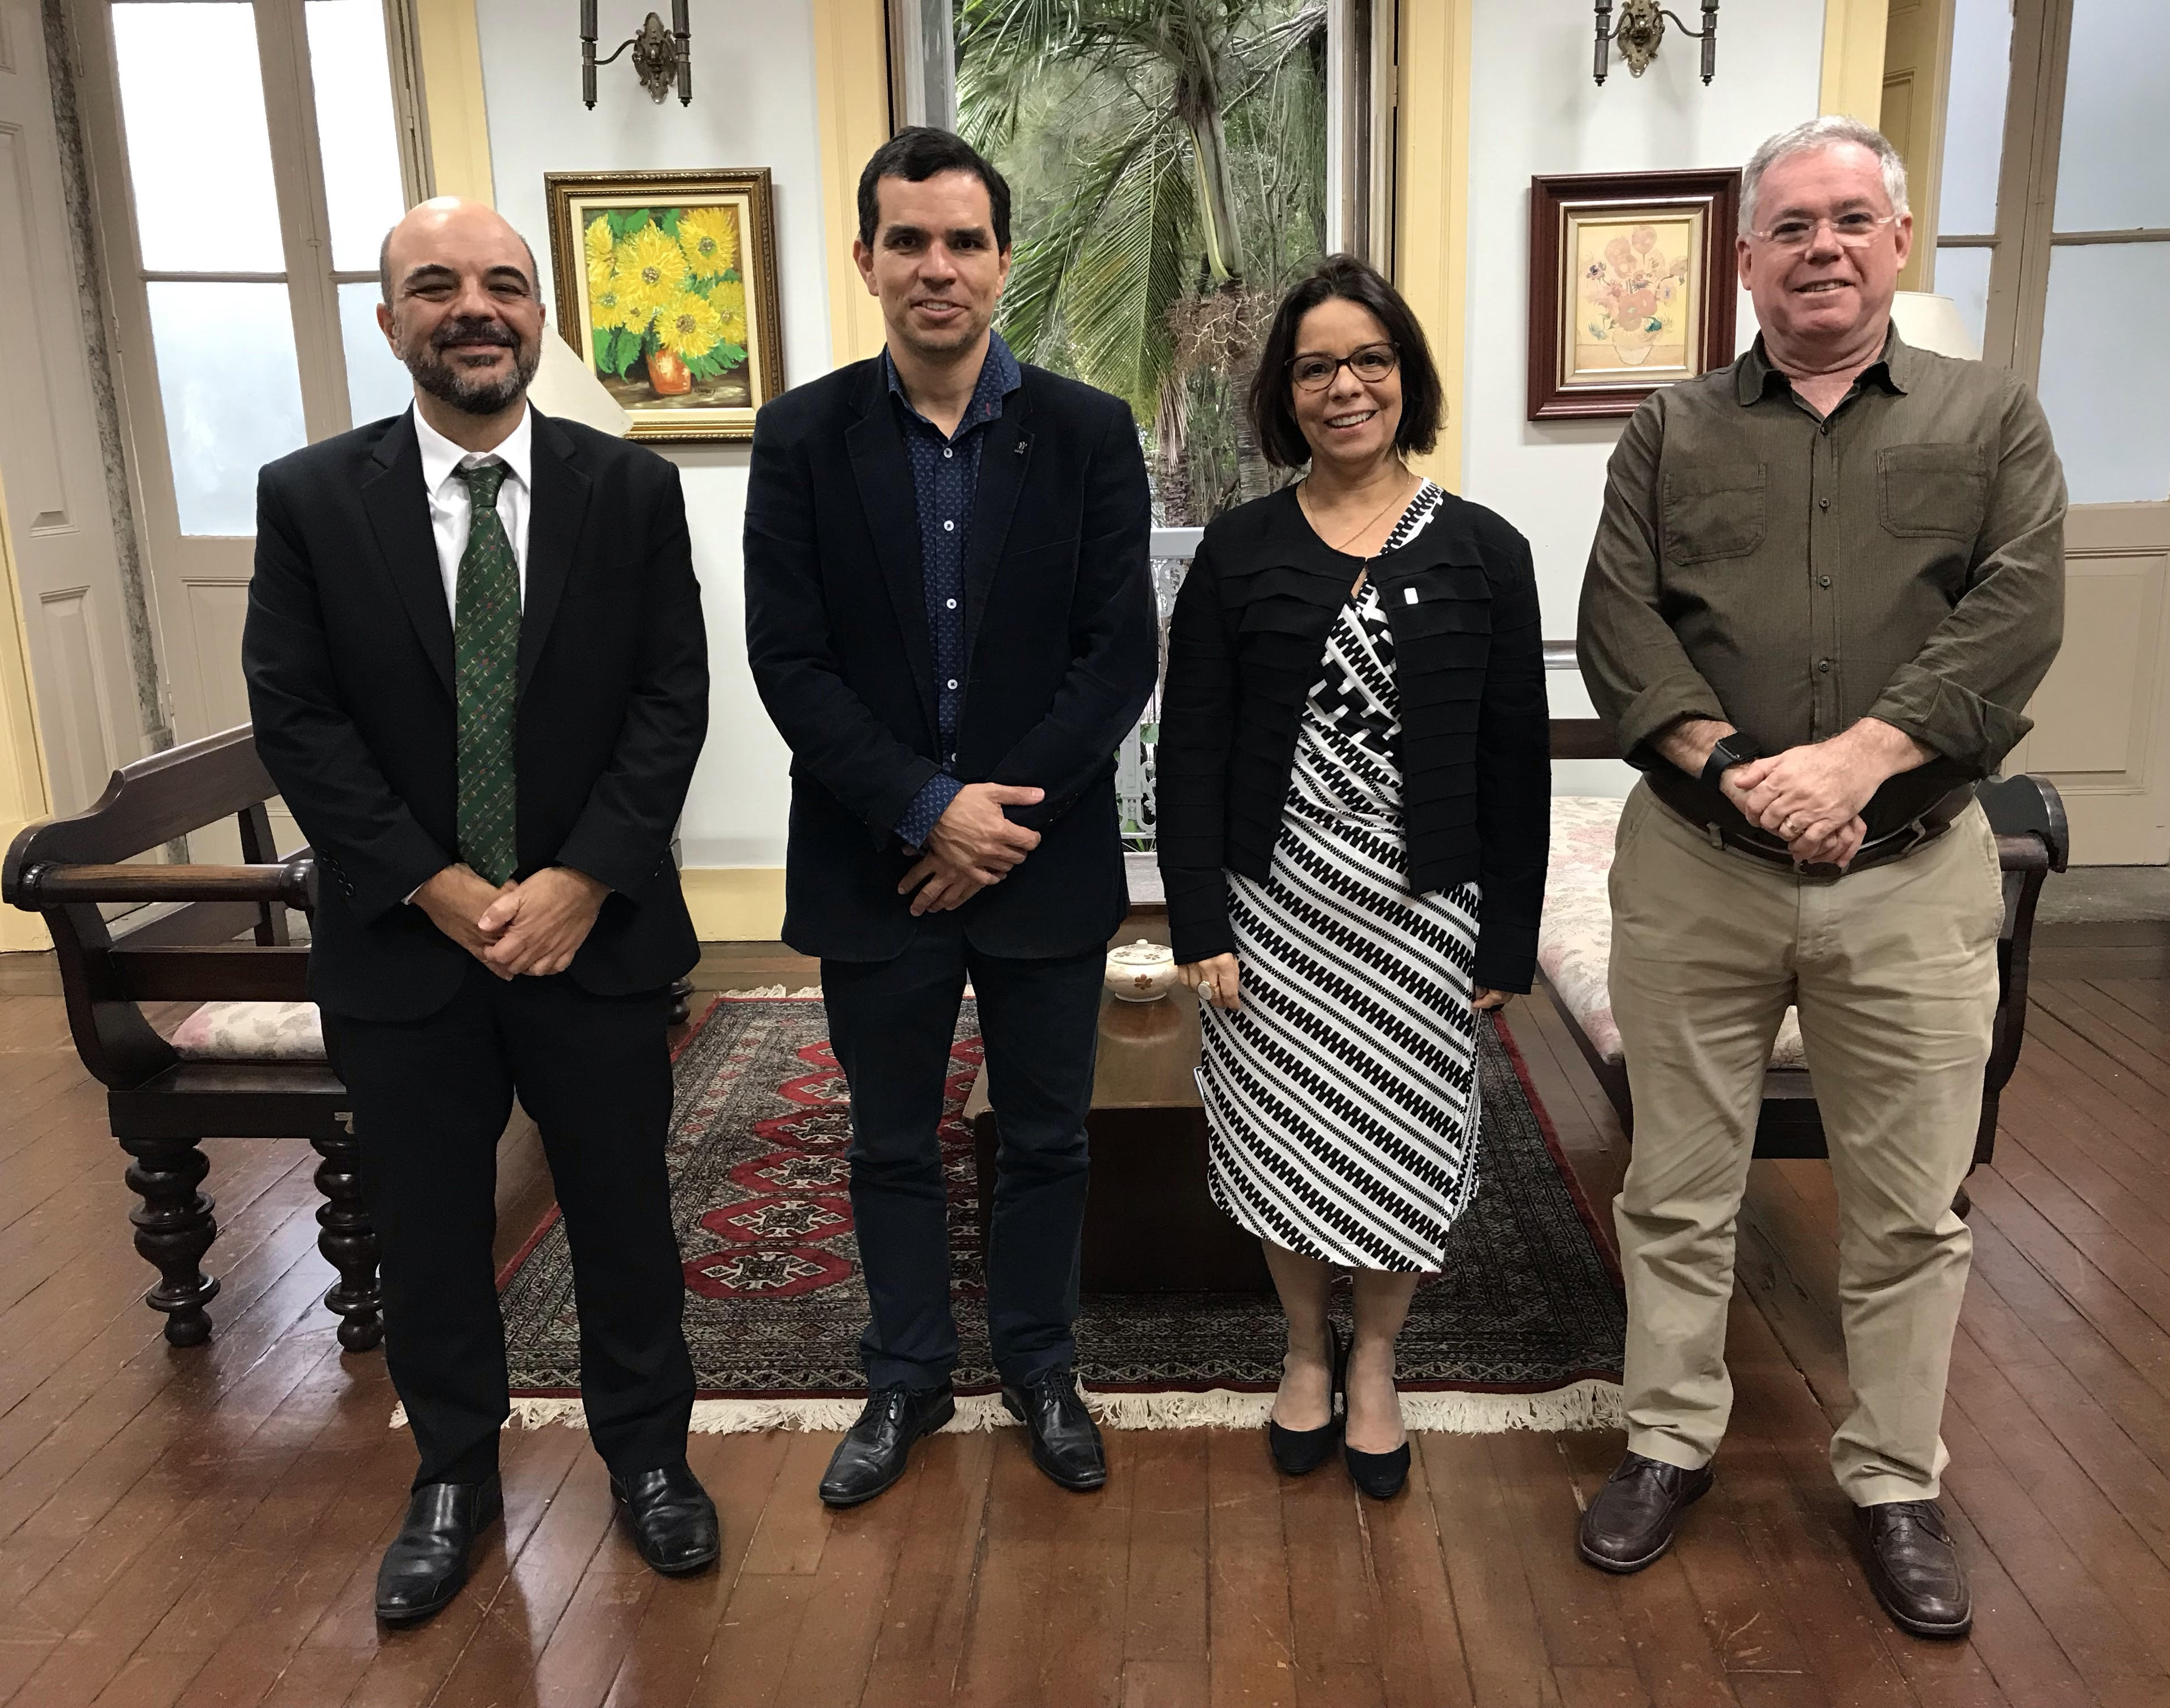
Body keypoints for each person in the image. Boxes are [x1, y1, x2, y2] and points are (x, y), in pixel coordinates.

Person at [1573, 117, 2065, 1637]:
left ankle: (1894, 1477)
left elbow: (2016, 614)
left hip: (1911, 870)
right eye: (1789, 227)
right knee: (1676, 1187)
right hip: (1698, 868)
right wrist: (1743, 772)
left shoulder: (1993, 423)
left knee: (1911, 1207)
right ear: (1746, 263)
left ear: (1897, 243)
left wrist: (1856, 765)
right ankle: (1667, 1441)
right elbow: (1620, 626)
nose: (1822, 249)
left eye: (1851, 219)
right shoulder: (1670, 431)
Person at [242, 198, 718, 1623]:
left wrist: (578, 882)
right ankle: (452, 1474)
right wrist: (443, 889)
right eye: (436, 286)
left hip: (599, 937)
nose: (475, 308)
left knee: (625, 1215)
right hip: (407, 946)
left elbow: (669, 700)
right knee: (431, 1224)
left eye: (505, 285)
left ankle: (650, 1461)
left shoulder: (626, 491)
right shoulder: (311, 497)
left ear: (539, 316)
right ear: (388, 323)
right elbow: (301, 719)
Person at [744, 128, 1155, 1507]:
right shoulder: (802, 437)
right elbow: (787, 658)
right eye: (909, 241)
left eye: (964, 241)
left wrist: (990, 821)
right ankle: (907, 1376)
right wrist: (925, 811)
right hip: (875, 864)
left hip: (1041, 861)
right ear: (864, 259)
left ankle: (1042, 1366)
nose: (938, 268)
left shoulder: (1090, 432)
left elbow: (1118, 654)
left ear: (1003, 260)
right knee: (888, 1138)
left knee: (1048, 1136)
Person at [1157, 256, 1551, 1500]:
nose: (1345, 387)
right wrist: (1201, 920)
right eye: (1317, 365)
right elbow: (1194, 748)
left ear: (1405, 376)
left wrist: (1506, 941)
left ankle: (1375, 1357)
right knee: (1284, 1139)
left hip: (1424, 905)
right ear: (1287, 390)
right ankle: (1301, 1352)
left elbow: (1515, 765)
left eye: (1370, 361)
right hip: (1276, 904)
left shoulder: (1486, 550)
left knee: (1402, 1138)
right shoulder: (1240, 547)